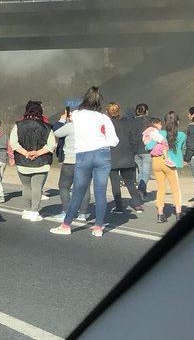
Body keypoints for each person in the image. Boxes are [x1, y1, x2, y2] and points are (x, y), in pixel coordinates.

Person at [51, 87, 118, 238]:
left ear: (85, 100)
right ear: (100, 102)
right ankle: (98, 227)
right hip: (103, 154)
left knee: (78, 191)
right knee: (100, 192)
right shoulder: (104, 118)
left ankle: (66, 225)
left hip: (83, 155)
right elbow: (114, 141)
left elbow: (67, 120)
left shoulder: (76, 115)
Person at [10, 101, 55, 222]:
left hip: (23, 162)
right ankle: (35, 212)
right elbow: (51, 146)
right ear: (40, 111)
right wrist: (37, 153)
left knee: (26, 187)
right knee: (37, 188)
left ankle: (26, 210)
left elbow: (13, 144)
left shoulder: (18, 125)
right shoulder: (47, 127)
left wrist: (26, 153)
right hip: (42, 162)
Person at [144, 112, 186, 223]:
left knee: (161, 188)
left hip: (156, 162)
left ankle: (160, 214)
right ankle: (178, 214)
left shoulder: (159, 133)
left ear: (165, 122)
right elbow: (181, 149)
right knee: (175, 189)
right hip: (170, 163)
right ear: (177, 122)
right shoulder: (181, 135)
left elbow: (148, 146)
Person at [53, 108, 91, 223]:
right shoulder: (90, 128)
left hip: (70, 161)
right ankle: (83, 214)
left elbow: (56, 132)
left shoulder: (71, 126)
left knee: (64, 186)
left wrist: (63, 119)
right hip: (86, 161)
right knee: (85, 188)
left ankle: (66, 211)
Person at [107, 102, 144, 215]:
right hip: (127, 155)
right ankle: (137, 205)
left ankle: (119, 207)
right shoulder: (127, 123)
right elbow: (134, 139)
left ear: (108, 112)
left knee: (115, 183)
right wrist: (132, 152)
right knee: (130, 182)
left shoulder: (108, 124)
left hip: (112, 156)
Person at [132, 103, 152, 198]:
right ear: (146, 111)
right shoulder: (149, 122)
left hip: (135, 149)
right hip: (146, 149)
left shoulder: (131, 122)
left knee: (140, 171)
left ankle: (142, 192)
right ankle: (141, 189)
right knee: (146, 172)